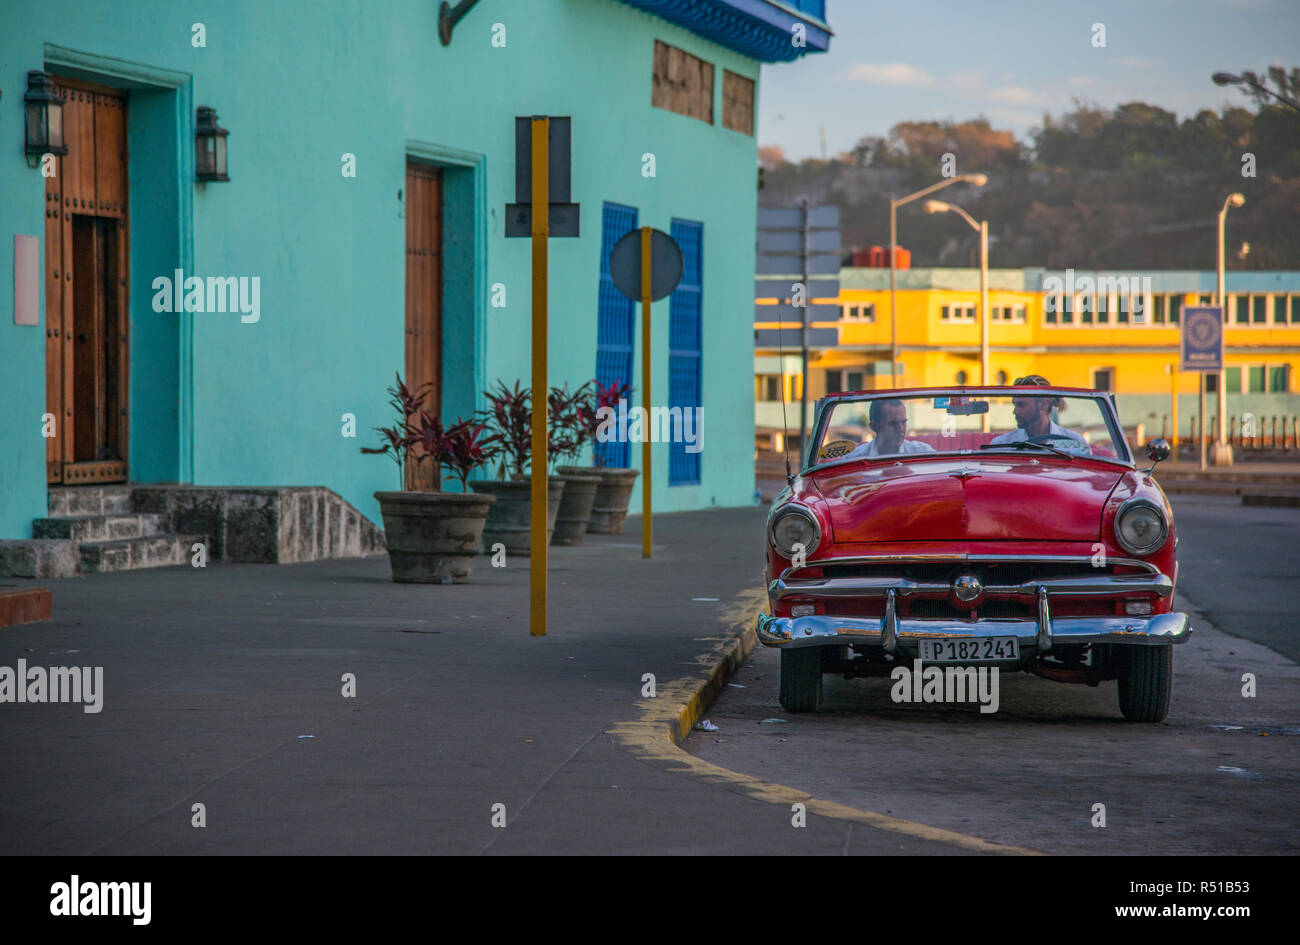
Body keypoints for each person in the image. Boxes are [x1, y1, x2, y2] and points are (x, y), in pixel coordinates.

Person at [988, 375, 1090, 450]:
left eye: (1022, 405)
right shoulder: (1001, 445)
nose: (1015, 411)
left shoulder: (1075, 443)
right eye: (1015, 405)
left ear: (1043, 404)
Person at [846, 399, 936, 458]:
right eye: (892, 424)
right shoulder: (855, 458)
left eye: (903, 422)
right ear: (874, 426)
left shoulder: (922, 453)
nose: (901, 429)